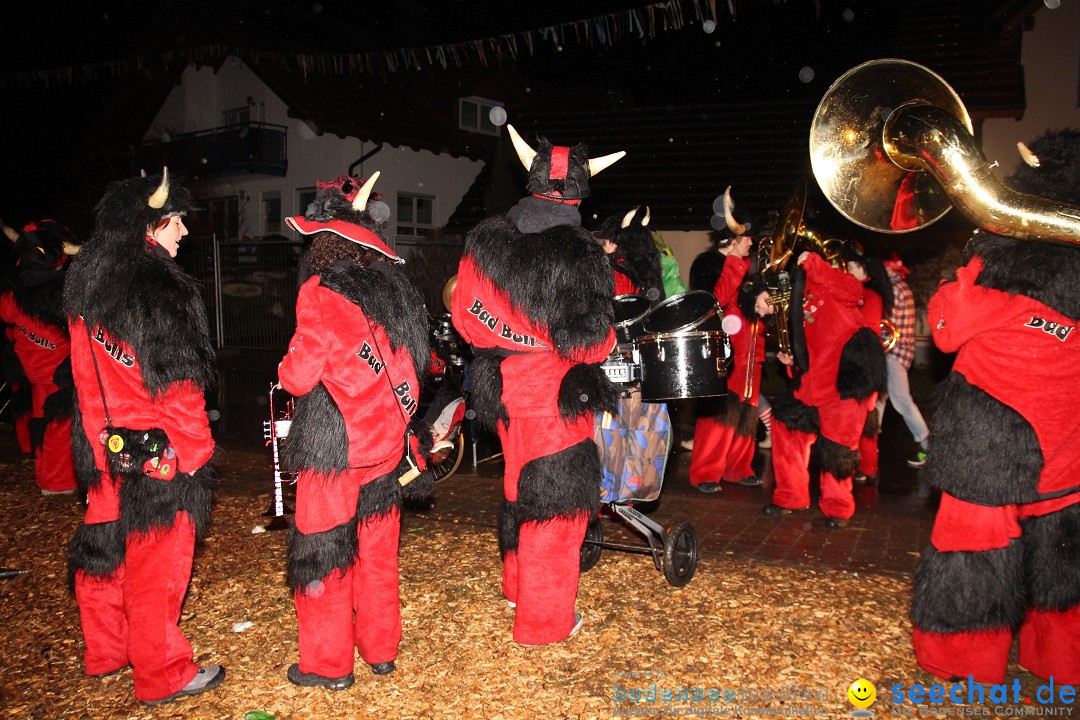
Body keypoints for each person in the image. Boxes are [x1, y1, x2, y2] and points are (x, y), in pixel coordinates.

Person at [910, 130, 1080, 685]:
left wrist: (970, 262)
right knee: (1061, 558)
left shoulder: (999, 278)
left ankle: (964, 663)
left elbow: (945, 327)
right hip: (1068, 447)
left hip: (992, 444)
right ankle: (1061, 662)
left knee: (972, 550)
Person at [451, 125, 621, 646]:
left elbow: (464, 317)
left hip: (503, 392)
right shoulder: (581, 252)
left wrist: (514, 336)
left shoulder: (487, 240)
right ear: (579, 192)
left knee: (518, 491)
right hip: (554, 398)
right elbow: (594, 344)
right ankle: (543, 622)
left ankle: (516, 586)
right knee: (554, 508)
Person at [65, 168, 224, 705]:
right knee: (158, 566)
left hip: (107, 445)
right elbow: (179, 387)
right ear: (151, 225)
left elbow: (86, 378)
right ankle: (162, 673)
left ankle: (106, 652)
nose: (183, 232)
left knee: (104, 553)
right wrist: (196, 454)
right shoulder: (156, 285)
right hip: (160, 451)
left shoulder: (89, 281)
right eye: (176, 221)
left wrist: (95, 444)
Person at [278, 172, 433, 687]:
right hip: (386, 446)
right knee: (378, 552)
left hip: (334, 448)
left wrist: (286, 368)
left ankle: (327, 665)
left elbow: (298, 376)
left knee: (323, 554)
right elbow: (412, 369)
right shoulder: (395, 292)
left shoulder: (319, 294)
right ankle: (381, 648)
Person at [763, 244, 885, 529]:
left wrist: (815, 264)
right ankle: (791, 496)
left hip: (844, 382)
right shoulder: (799, 296)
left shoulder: (834, 283)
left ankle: (838, 508)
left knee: (838, 448)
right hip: (812, 382)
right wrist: (789, 359)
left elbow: (855, 292)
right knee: (785, 425)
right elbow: (805, 345)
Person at [686, 187, 773, 492]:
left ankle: (738, 467)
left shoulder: (749, 266)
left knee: (746, 413)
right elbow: (713, 302)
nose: (753, 242)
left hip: (750, 354)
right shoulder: (706, 263)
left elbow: (750, 304)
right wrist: (735, 264)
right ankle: (706, 472)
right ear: (735, 239)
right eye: (748, 237)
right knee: (719, 413)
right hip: (723, 352)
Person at [594, 206, 672, 503]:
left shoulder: (610, 274)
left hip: (612, 368)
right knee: (640, 433)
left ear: (614, 244)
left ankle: (604, 495)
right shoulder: (651, 280)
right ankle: (631, 490)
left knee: (608, 434)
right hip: (645, 370)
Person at [0, 219, 79, 494]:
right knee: (59, 422)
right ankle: (57, 482)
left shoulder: (16, 292)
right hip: (59, 368)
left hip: (32, 367)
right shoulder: (57, 294)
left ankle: (44, 474)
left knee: (41, 420)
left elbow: (8, 314)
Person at [845, 248, 894, 485]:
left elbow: (857, 324)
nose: (848, 271)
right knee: (862, 416)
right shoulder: (864, 292)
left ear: (864, 270)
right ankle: (865, 466)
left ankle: (865, 466)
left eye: (852, 267)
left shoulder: (869, 295)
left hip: (863, 361)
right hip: (861, 359)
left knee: (862, 416)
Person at [879, 253, 931, 467]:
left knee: (901, 401)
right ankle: (867, 446)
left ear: (890, 270)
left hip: (894, 353)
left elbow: (884, 323)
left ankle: (928, 445)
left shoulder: (893, 289)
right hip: (899, 352)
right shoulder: (903, 286)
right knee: (878, 400)